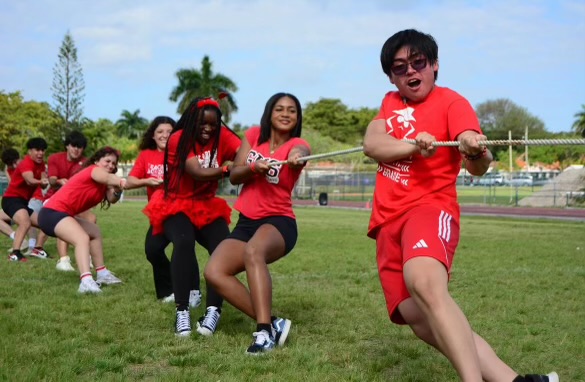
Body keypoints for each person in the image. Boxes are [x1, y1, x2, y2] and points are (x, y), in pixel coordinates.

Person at [362, 29, 558, 382]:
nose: (410, 72)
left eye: (418, 62)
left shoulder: (453, 103)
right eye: (400, 66)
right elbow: (372, 143)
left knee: (424, 283)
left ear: (434, 65)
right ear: (391, 76)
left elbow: (477, 162)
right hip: (386, 223)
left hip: (428, 208)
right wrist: (413, 145)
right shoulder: (391, 103)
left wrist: (475, 147)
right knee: (418, 319)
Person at [204, 92, 310, 354]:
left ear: (297, 118)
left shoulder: (297, 144)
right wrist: (254, 168)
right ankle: (274, 322)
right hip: (246, 222)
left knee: (254, 251)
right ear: (269, 113)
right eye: (279, 109)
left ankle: (263, 333)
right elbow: (235, 176)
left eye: (292, 110)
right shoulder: (252, 137)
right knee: (214, 272)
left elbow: (303, 151)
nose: (286, 114)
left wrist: (297, 157)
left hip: (279, 222)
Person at [142, 98, 241, 337]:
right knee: (183, 242)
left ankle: (214, 310)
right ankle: (182, 310)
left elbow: (244, 153)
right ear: (191, 121)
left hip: (207, 205)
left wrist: (254, 161)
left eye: (213, 124)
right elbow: (197, 171)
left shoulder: (223, 136)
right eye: (202, 123)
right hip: (176, 202)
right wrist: (228, 168)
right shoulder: (179, 138)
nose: (208, 128)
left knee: (223, 248)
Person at [38, 146, 125, 293]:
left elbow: (112, 198)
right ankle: (85, 281)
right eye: (107, 161)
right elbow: (109, 178)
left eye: (114, 163)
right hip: (51, 213)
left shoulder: (105, 181)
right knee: (82, 238)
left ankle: (102, 273)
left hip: (62, 214)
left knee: (94, 231)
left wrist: (117, 189)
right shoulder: (95, 170)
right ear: (97, 161)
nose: (111, 165)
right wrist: (123, 182)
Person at [47, 131, 93, 271]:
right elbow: (52, 180)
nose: (76, 149)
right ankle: (63, 260)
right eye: (74, 145)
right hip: (56, 199)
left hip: (76, 200)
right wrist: (59, 180)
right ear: (67, 145)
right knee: (65, 220)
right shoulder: (55, 158)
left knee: (91, 218)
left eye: (80, 147)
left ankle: (87, 255)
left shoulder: (86, 163)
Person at [1, 138, 49, 262]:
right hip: (11, 199)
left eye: (43, 150)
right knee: (25, 223)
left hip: (23, 202)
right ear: (30, 151)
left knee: (46, 223)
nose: (40, 153)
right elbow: (29, 180)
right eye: (37, 150)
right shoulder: (26, 163)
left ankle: (37, 248)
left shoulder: (41, 164)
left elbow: (43, 182)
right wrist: (40, 182)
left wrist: (45, 182)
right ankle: (15, 253)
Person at [0, 148, 23, 244]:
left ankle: (20, 241)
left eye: (15, 162)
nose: (14, 165)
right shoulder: (9, 170)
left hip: (26, 205)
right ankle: (18, 239)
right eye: (10, 164)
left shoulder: (25, 168)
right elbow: (12, 188)